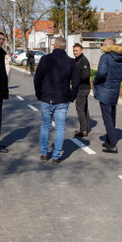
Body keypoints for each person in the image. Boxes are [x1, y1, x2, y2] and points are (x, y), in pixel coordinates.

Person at [34, 37, 79, 165]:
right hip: (62, 98)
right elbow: (76, 82)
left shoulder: (44, 59)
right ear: (65, 47)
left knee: (45, 125)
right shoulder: (71, 61)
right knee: (60, 127)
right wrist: (72, 96)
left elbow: (37, 79)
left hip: (46, 97)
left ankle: (44, 153)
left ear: (54, 45)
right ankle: (56, 156)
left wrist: (39, 94)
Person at [93, 37, 122, 153]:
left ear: (107, 45)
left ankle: (112, 145)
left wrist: (95, 81)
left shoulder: (105, 57)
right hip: (115, 90)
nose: (102, 46)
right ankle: (108, 140)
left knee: (107, 118)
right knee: (112, 116)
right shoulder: (120, 58)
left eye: (103, 44)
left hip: (105, 90)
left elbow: (102, 73)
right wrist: (115, 81)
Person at [72, 43, 92, 137]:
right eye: (74, 51)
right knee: (84, 108)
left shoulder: (83, 60)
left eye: (77, 50)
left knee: (80, 108)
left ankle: (83, 130)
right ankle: (85, 128)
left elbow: (86, 75)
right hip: (82, 88)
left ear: (81, 50)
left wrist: (76, 79)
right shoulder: (78, 60)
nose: (75, 52)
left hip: (82, 88)